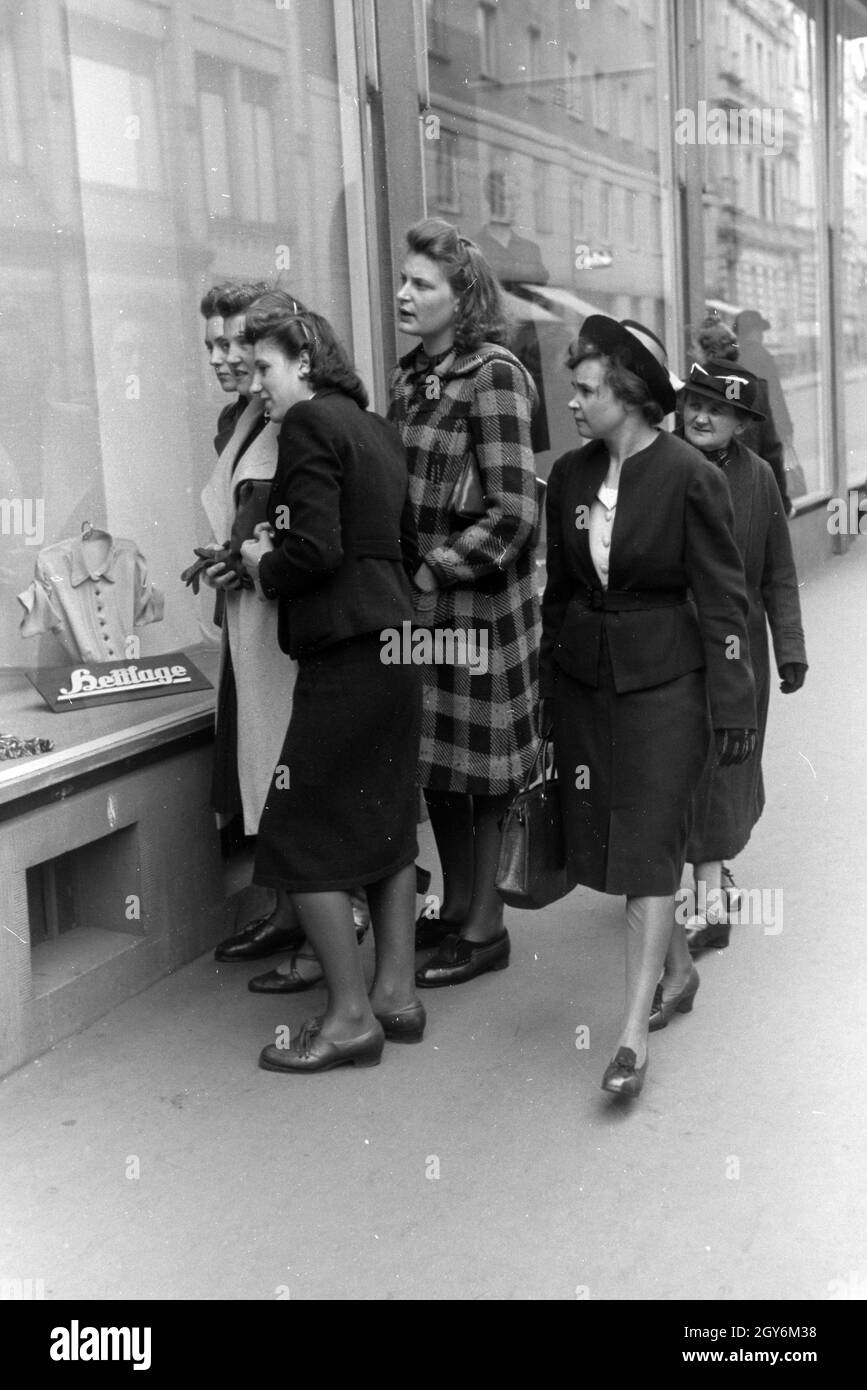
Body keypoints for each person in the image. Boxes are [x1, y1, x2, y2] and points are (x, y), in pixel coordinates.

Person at [540, 317, 757, 1099]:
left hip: (668, 687)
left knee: (647, 848)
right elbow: (558, 596)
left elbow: (725, 604)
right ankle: (678, 971)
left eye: (586, 389)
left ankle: (630, 1034)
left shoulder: (687, 476)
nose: (571, 401)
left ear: (628, 397)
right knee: (611, 839)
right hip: (585, 688)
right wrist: (543, 691)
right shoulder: (567, 478)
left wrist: (734, 710)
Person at [239, 305, 423, 1073]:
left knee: (298, 833)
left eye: (264, 370)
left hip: (343, 651)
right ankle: (394, 995)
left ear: (305, 361)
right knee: (383, 820)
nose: (256, 389)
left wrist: (259, 562)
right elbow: (406, 547)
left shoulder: (309, 426)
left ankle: (349, 1019)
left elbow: (313, 550)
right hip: (394, 642)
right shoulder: (374, 428)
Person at [388, 218, 540, 988]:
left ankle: (486, 926)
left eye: (422, 284)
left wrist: (433, 572)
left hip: (475, 608)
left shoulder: (494, 375)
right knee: (438, 765)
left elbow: (514, 512)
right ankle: (454, 910)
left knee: (479, 773)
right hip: (421, 608)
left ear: (462, 297)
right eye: (404, 280)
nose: (404, 294)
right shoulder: (412, 375)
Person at [196, 284, 312, 970]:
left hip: (284, 622)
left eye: (235, 343)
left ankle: (318, 924)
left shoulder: (290, 416)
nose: (222, 357)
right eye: (212, 343)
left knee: (287, 761)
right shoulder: (236, 419)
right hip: (249, 616)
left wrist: (247, 558)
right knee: (261, 760)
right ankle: (287, 912)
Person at [677, 361, 807, 950]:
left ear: (742, 423)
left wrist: (791, 651)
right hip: (671, 644)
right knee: (682, 763)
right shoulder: (661, 466)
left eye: (719, 409)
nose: (702, 416)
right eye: (695, 403)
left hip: (739, 651)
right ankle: (703, 885)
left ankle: (707, 891)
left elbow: (779, 571)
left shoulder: (758, 479)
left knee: (725, 766)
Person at [473, 171, 551, 451]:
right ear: (489, 198)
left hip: (529, 356)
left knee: (530, 440)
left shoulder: (530, 250)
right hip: (493, 353)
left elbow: (543, 304)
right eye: (502, 196)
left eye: (514, 197)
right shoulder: (475, 247)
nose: (508, 203)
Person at [690, 315, 792, 516]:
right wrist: (783, 503)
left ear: (708, 353)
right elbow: (771, 451)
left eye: (694, 349)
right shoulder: (753, 388)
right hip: (749, 500)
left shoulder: (694, 394)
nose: (690, 353)